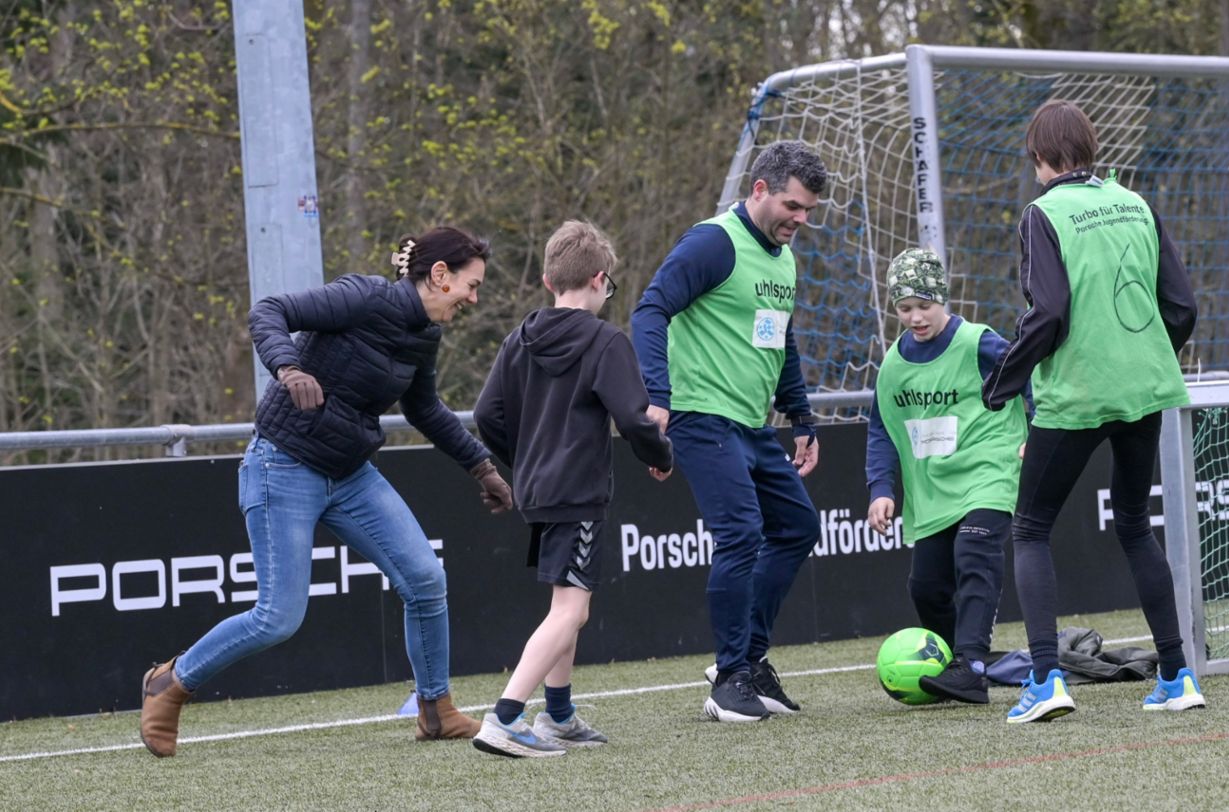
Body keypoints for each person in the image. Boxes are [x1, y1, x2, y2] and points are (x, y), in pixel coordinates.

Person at [139, 226, 515, 757]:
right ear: (439, 275)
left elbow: (423, 409)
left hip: (350, 473)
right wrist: (287, 367)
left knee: (426, 580)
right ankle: (170, 681)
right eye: (471, 286)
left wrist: (482, 468)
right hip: (282, 463)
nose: (474, 299)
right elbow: (268, 311)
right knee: (278, 617)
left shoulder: (425, 334)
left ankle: (436, 711)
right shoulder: (363, 297)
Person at [981, 100, 1205, 723]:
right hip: (1146, 391)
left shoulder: (1041, 214)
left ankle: (1047, 679)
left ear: (1041, 159)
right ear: (1091, 148)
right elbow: (1182, 307)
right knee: (1134, 524)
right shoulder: (1136, 204)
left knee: (1029, 529)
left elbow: (1047, 313)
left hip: (1077, 397)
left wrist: (1003, 380)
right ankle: (1177, 674)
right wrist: (1144, 358)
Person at [631, 140, 826, 723]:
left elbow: (780, 338)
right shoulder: (713, 242)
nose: (801, 219)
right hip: (700, 416)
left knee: (796, 525)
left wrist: (801, 417)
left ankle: (750, 661)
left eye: (810, 210)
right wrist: (658, 399)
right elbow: (649, 310)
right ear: (760, 189)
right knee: (742, 535)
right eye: (793, 205)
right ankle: (729, 679)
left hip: (752, 423)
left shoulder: (784, 257)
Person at [471, 221, 672, 758]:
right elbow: (633, 419)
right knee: (572, 610)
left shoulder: (520, 336)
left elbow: (487, 414)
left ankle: (557, 715)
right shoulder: (606, 340)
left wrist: (526, 458)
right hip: (577, 491)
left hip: (537, 488)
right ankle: (505, 717)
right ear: (600, 280)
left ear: (547, 280)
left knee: (566, 596)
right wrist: (660, 454)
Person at [865, 248, 1027, 705]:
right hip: (934, 490)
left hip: (989, 469)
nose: (915, 317)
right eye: (904, 308)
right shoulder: (893, 366)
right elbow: (881, 429)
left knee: (974, 549)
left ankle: (971, 666)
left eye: (924, 305)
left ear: (943, 299)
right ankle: (950, 665)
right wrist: (880, 488)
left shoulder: (979, 343)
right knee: (925, 586)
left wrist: (1040, 425)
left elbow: (1032, 374)